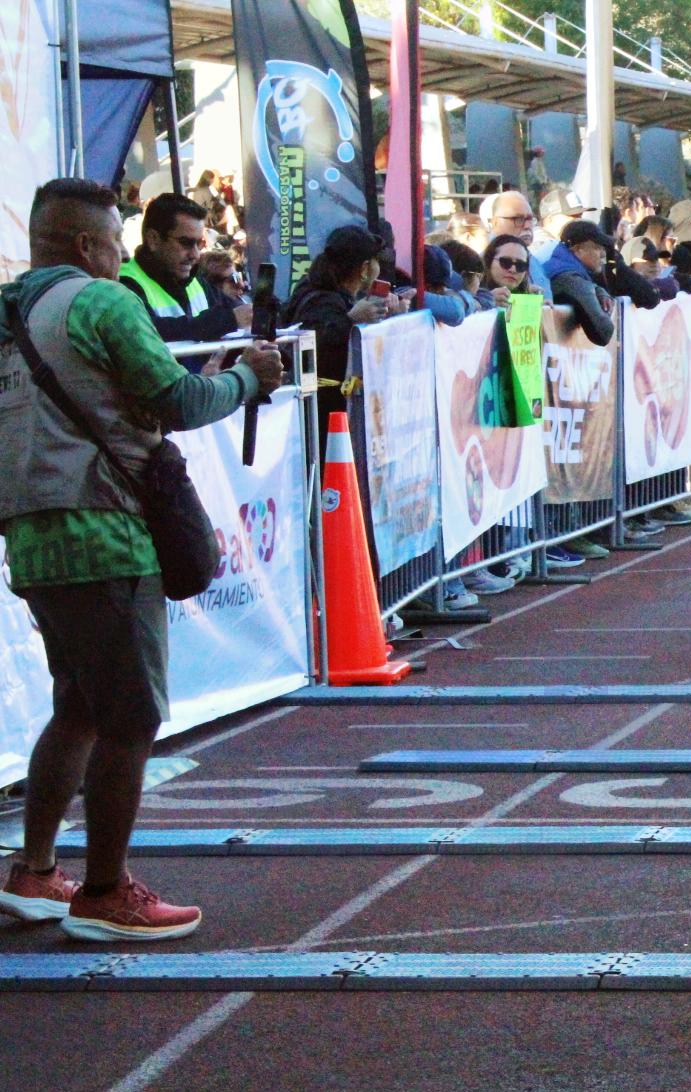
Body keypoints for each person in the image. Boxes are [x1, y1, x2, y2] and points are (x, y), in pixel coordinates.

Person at [0, 178, 284, 940]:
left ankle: (34, 871)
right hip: (106, 531)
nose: (119, 257)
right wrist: (247, 377)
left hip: (29, 534)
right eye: (116, 243)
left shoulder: (9, 313)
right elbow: (178, 401)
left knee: (78, 705)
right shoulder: (103, 302)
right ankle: (105, 891)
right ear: (90, 246)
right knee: (131, 717)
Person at [286, 224, 398, 425]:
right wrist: (351, 319)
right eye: (377, 262)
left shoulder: (320, 291)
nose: (379, 269)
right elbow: (314, 341)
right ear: (364, 269)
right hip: (322, 414)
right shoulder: (322, 299)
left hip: (325, 409)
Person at [120, 193, 248, 345]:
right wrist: (224, 321)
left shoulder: (195, 280)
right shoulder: (124, 283)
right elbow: (146, 332)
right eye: (186, 243)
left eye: (199, 244)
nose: (195, 254)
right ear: (153, 239)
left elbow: (238, 312)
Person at [479, 233, 537, 308]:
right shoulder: (469, 293)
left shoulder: (528, 298)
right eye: (505, 262)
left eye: (520, 265)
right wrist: (485, 302)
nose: (513, 270)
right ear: (489, 262)